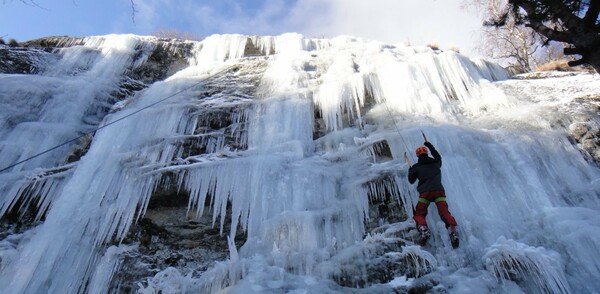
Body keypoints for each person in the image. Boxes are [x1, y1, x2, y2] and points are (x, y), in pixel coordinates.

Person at [408, 141, 459, 248]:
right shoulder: (436, 163)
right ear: (427, 153)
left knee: (419, 214)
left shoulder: (416, 167)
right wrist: (429, 145)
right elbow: (437, 155)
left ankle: (424, 229)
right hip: (438, 192)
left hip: (425, 194)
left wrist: (410, 170)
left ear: (417, 156)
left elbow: (411, 181)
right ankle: (452, 230)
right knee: (445, 213)